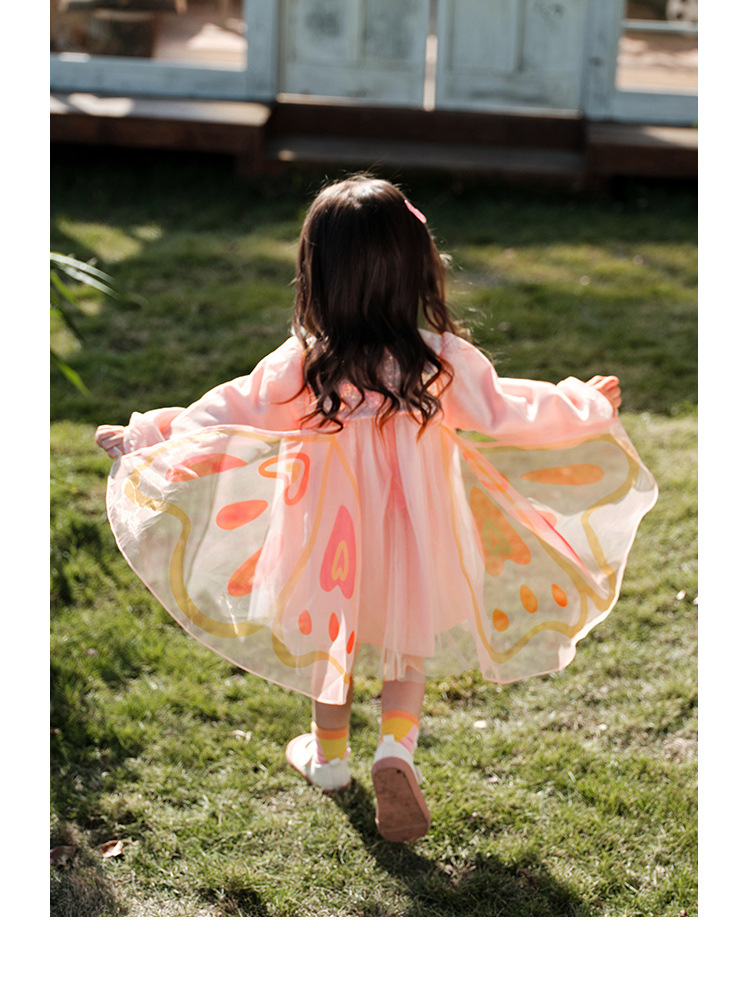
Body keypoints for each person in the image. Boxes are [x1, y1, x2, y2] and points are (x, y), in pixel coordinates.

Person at [96, 175, 657, 843]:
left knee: (329, 631)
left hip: (324, 535)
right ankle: (396, 748)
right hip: (414, 531)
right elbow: (508, 410)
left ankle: (329, 758)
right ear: (415, 268)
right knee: (405, 634)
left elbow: (227, 411)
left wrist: (146, 435)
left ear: (317, 273)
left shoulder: (303, 365)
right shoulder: (436, 361)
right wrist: (584, 403)